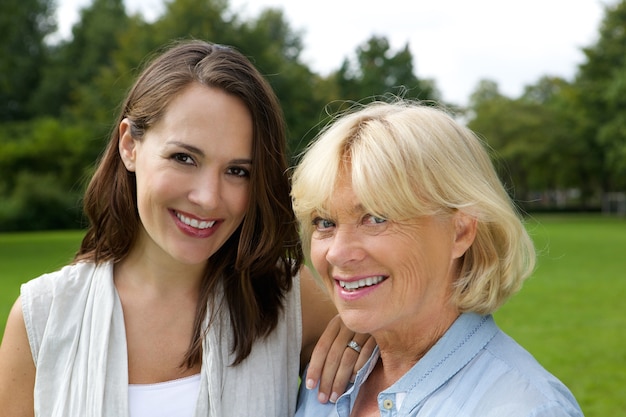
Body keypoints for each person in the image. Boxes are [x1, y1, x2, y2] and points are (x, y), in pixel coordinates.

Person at [0, 40, 370, 417]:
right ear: (130, 145)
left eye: (238, 171)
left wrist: (366, 332)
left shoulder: (288, 298)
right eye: (184, 158)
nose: (209, 198)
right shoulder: (42, 318)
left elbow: (403, 355)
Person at [291, 101, 584, 416]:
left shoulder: (526, 408)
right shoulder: (328, 380)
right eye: (325, 222)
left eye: (376, 218)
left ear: (460, 232)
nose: (337, 252)